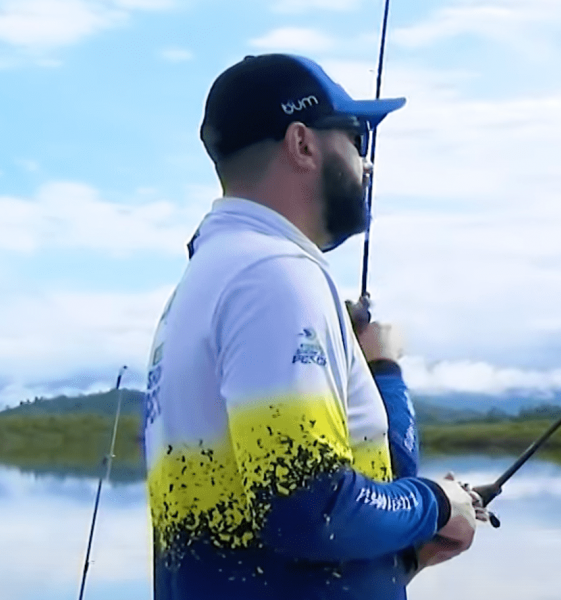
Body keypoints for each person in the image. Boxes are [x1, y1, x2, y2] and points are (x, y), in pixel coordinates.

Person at [140, 53, 484, 599]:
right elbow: (309, 507)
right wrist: (438, 504)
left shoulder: (210, 278)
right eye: (355, 139)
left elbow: (340, 501)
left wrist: (382, 371)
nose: (367, 164)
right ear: (302, 144)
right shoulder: (274, 277)